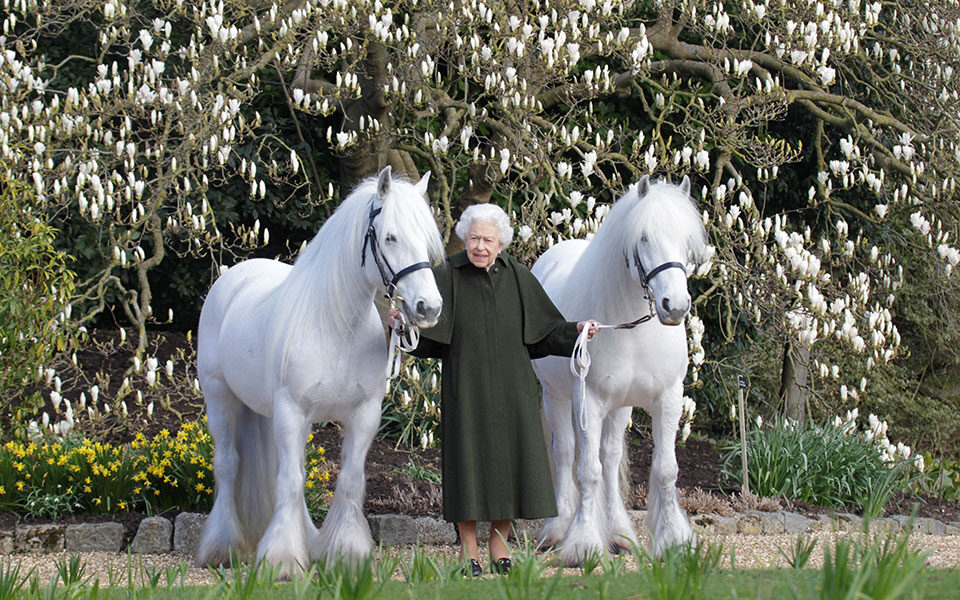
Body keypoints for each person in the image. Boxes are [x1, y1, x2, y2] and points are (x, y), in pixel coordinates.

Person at [390, 203, 599, 576]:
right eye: (473, 238)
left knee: (510, 465)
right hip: (465, 388)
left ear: (501, 242)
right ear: (464, 239)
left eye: (487, 239)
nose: (480, 246)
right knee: (467, 466)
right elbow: (426, 338)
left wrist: (579, 329)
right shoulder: (447, 275)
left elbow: (546, 332)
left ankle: (499, 543)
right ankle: (468, 547)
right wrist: (401, 325)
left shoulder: (518, 276)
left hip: (513, 389)